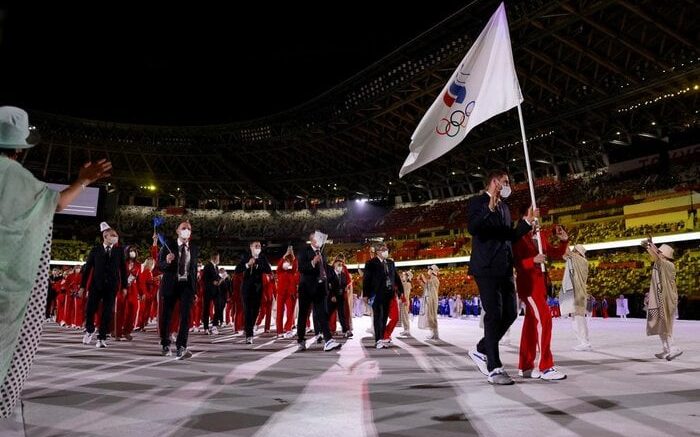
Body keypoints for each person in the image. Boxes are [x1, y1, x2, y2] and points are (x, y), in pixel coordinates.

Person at [0, 106, 111, 427]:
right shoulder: (23, 181)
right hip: (11, 288)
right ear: (21, 148)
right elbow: (57, 204)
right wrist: (83, 180)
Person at [466, 170, 534, 385]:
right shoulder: (478, 202)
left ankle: (483, 348)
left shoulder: (505, 207)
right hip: (485, 267)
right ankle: (494, 367)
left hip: (504, 267)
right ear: (494, 182)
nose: (508, 185)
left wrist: (525, 224)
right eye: (505, 182)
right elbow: (473, 228)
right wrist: (488, 208)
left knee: (511, 313)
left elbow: (509, 236)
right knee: (494, 314)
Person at [513, 224, 569, 381]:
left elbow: (554, 253)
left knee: (531, 326)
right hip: (529, 286)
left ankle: (525, 366)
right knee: (545, 320)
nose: (536, 218)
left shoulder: (540, 235)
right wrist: (533, 260)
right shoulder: (519, 236)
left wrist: (564, 241)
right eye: (532, 214)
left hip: (542, 285)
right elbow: (514, 263)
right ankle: (545, 366)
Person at [80, 223, 128, 348]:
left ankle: (101, 338)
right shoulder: (95, 250)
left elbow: (123, 269)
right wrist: (82, 286)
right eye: (113, 235)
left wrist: (124, 286)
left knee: (107, 312)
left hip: (112, 286)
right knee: (90, 309)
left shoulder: (119, 251)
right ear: (105, 236)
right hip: (96, 285)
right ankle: (90, 329)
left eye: (116, 236)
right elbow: (87, 269)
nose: (115, 238)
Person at [158, 220, 199, 359]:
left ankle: (182, 346)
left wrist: (195, 291)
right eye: (183, 228)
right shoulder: (168, 245)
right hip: (171, 284)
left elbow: (193, 271)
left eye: (188, 228)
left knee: (186, 316)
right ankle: (165, 343)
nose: (186, 230)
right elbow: (160, 266)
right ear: (177, 231)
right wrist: (167, 261)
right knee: (167, 316)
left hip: (186, 286)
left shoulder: (193, 248)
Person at [295, 231, 342, 352]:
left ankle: (328, 340)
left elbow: (325, 268)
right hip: (306, 289)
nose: (321, 240)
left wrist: (334, 273)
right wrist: (312, 262)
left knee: (322, 314)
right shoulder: (303, 251)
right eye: (318, 238)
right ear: (312, 240)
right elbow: (301, 268)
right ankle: (300, 339)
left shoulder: (322, 252)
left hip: (320, 289)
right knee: (303, 314)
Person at [641, 239, 682, 361]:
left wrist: (651, 246)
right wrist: (649, 247)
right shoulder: (659, 263)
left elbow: (657, 257)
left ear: (665, 255)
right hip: (660, 298)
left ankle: (674, 348)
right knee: (659, 324)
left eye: (659, 251)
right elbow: (656, 257)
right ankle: (666, 349)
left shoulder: (669, 265)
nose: (657, 253)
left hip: (667, 299)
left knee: (666, 325)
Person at [362, 243, 402, 349]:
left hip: (388, 294)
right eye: (383, 249)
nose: (386, 251)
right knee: (378, 317)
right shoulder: (371, 263)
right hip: (376, 294)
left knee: (384, 317)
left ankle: (382, 338)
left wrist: (400, 291)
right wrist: (366, 294)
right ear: (378, 251)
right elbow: (366, 280)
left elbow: (396, 277)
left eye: (386, 249)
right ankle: (378, 340)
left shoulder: (390, 263)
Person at [235, 241, 271, 344]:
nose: (258, 247)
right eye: (256, 246)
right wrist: (247, 264)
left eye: (259, 246)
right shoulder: (245, 256)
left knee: (255, 311)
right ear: (251, 247)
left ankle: (249, 327)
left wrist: (259, 265)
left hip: (258, 288)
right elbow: (237, 270)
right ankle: (249, 335)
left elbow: (268, 270)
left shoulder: (262, 257)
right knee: (247, 311)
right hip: (246, 288)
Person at [561, 244, 591, 351]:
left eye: (575, 250)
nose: (573, 251)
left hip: (579, 293)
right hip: (575, 292)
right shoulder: (575, 260)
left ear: (578, 252)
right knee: (575, 318)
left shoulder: (582, 261)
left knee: (579, 318)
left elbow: (567, 252)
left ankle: (585, 342)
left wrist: (565, 240)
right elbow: (565, 255)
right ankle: (582, 342)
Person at [115, 245, 141, 341]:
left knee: (133, 311)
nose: (132, 252)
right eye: (130, 251)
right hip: (122, 289)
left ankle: (127, 331)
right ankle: (117, 332)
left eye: (134, 251)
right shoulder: (122, 263)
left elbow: (139, 280)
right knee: (120, 311)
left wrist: (141, 293)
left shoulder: (138, 265)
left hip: (133, 290)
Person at [276, 247, 298, 338]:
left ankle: (288, 329)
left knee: (290, 312)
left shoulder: (292, 272)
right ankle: (279, 331)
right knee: (280, 312)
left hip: (290, 293)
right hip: (281, 292)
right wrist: (284, 256)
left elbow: (295, 267)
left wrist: (293, 257)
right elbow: (278, 267)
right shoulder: (280, 271)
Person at [202, 252, 221, 335]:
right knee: (206, 309)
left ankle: (214, 326)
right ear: (214, 258)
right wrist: (212, 282)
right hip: (208, 291)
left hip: (216, 290)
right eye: (218, 258)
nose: (219, 260)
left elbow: (217, 278)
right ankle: (206, 327)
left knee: (218, 307)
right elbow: (205, 279)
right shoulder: (207, 266)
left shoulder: (216, 267)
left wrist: (219, 279)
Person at [419, 265, 440, 341]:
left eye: (430, 269)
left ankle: (435, 334)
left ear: (433, 271)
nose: (428, 270)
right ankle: (433, 333)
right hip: (430, 299)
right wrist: (420, 281)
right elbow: (426, 286)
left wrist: (422, 277)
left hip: (432, 300)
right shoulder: (432, 279)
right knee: (430, 316)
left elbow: (428, 283)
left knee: (432, 316)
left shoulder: (434, 279)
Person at [398, 271, 413, 338]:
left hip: (405, 301)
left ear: (408, 277)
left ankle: (407, 329)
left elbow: (406, 294)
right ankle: (405, 329)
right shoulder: (405, 283)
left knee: (405, 316)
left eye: (405, 276)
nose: (404, 276)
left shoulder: (408, 284)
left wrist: (405, 301)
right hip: (404, 301)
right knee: (403, 316)